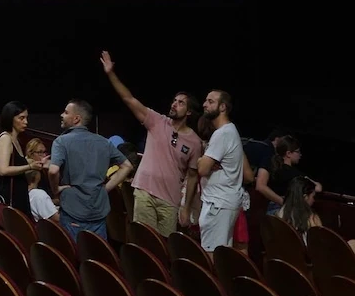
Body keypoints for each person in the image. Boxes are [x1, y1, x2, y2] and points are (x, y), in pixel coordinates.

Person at [101, 51, 204, 237]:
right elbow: (129, 99)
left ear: (189, 112)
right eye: (174, 100)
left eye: (180, 103)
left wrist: (186, 208)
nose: (174, 104)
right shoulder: (157, 121)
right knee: (144, 242)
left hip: (170, 200)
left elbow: (192, 176)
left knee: (165, 248)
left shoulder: (195, 142)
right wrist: (110, 73)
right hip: (144, 192)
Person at [46, 100, 115, 240]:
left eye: (66, 112)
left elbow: (53, 171)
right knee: (98, 256)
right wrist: (105, 188)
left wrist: (55, 190)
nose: (61, 115)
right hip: (98, 211)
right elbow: (127, 165)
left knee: (73, 256)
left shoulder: (61, 141)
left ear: (76, 118)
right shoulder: (104, 142)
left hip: (72, 211)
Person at [195, 90, 247, 253]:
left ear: (222, 107)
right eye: (205, 100)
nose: (205, 104)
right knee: (221, 253)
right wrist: (203, 161)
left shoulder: (223, 133)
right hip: (221, 202)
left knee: (213, 255)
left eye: (210, 101)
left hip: (218, 204)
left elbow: (202, 169)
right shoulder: (227, 131)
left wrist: (201, 161)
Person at [0, 102, 39, 217]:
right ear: (10, 119)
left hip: (17, 193)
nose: (26, 122)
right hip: (8, 195)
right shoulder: (5, 138)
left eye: (26, 118)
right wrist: (30, 166)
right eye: (21, 118)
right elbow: (3, 170)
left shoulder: (16, 140)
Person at [255, 134, 309, 214]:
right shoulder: (295, 174)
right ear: (288, 153)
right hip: (284, 210)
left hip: (268, 209)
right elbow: (260, 186)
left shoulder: (269, 163)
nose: (300, 155)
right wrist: (283, 202)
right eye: (297, 151)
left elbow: (260, 185)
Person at [24, 139, 59, 222]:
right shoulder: (38, 194)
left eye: (45, 152)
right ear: (30, 154)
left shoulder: (44, 171)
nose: (44, 155)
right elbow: (56, 219)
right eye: (40, 152)